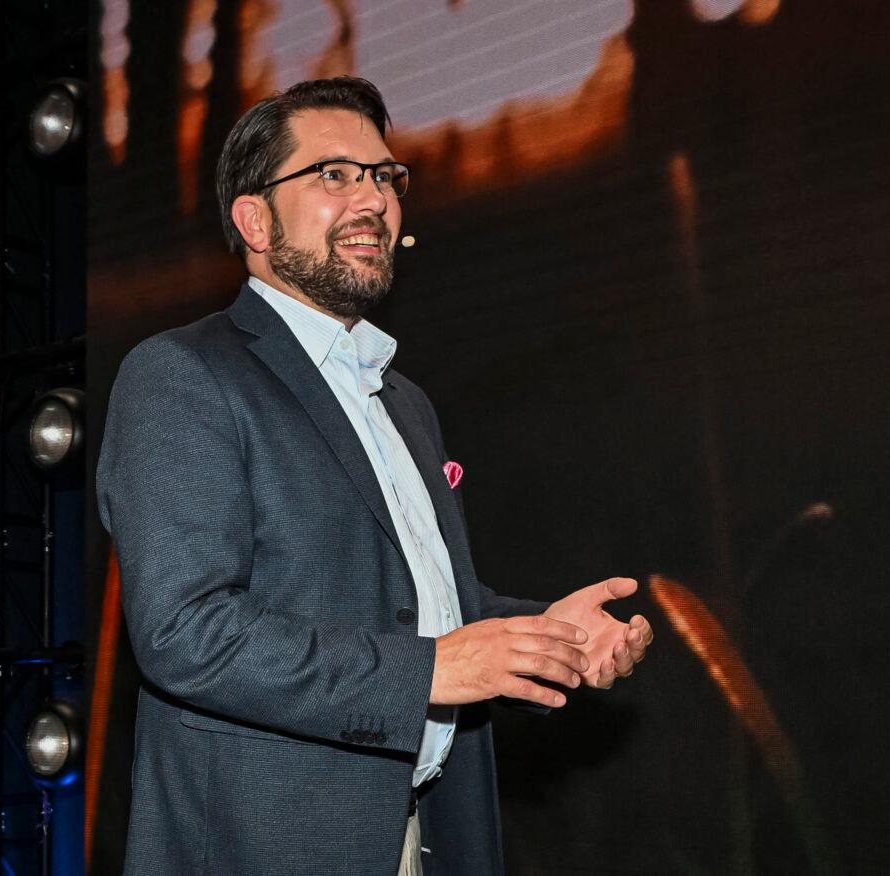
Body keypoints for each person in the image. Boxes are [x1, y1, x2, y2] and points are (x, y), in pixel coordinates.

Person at [97, 76, 653, 876]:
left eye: (385, 176)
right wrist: (431, 673)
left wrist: (552, 635)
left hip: (419, 835)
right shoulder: (182, 374)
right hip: (270, 849)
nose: (375, 199)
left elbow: (419, 604)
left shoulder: (403, 401)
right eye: (334, 174)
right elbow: (185, 634)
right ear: (254, 220)